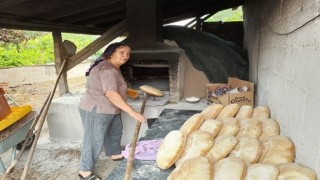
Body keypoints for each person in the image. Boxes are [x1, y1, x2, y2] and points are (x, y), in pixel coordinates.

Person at [78, 42, 145, 180]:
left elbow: (114, 89)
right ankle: (84, 171)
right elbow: (111, 93)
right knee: (93, 139)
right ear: (111, 53)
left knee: (115, 130)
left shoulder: (114, 68)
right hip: (97, 109)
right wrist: (133, 112)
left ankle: (114, 153)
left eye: (128, 53)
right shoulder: (108, 69)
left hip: (112, 108)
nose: (126, 56)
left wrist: (127, 92)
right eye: (122, 52)